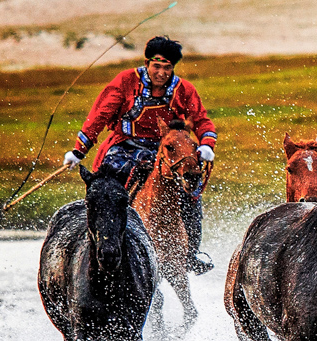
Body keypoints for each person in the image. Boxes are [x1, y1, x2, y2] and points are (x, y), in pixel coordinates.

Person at [63, 35, 217, 275]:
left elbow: (201, 120)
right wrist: (78, 150)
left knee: (192, 193)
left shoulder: (184, 89)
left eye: (167, 68)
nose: (161, 73)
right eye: (157, 66)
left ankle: (190, 253)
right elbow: (100, 115)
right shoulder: (125, 81)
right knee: (107, 190)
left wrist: (206, 144)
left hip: (165, 150)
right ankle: (97, 242)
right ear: (147, 64)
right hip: (125, 146)